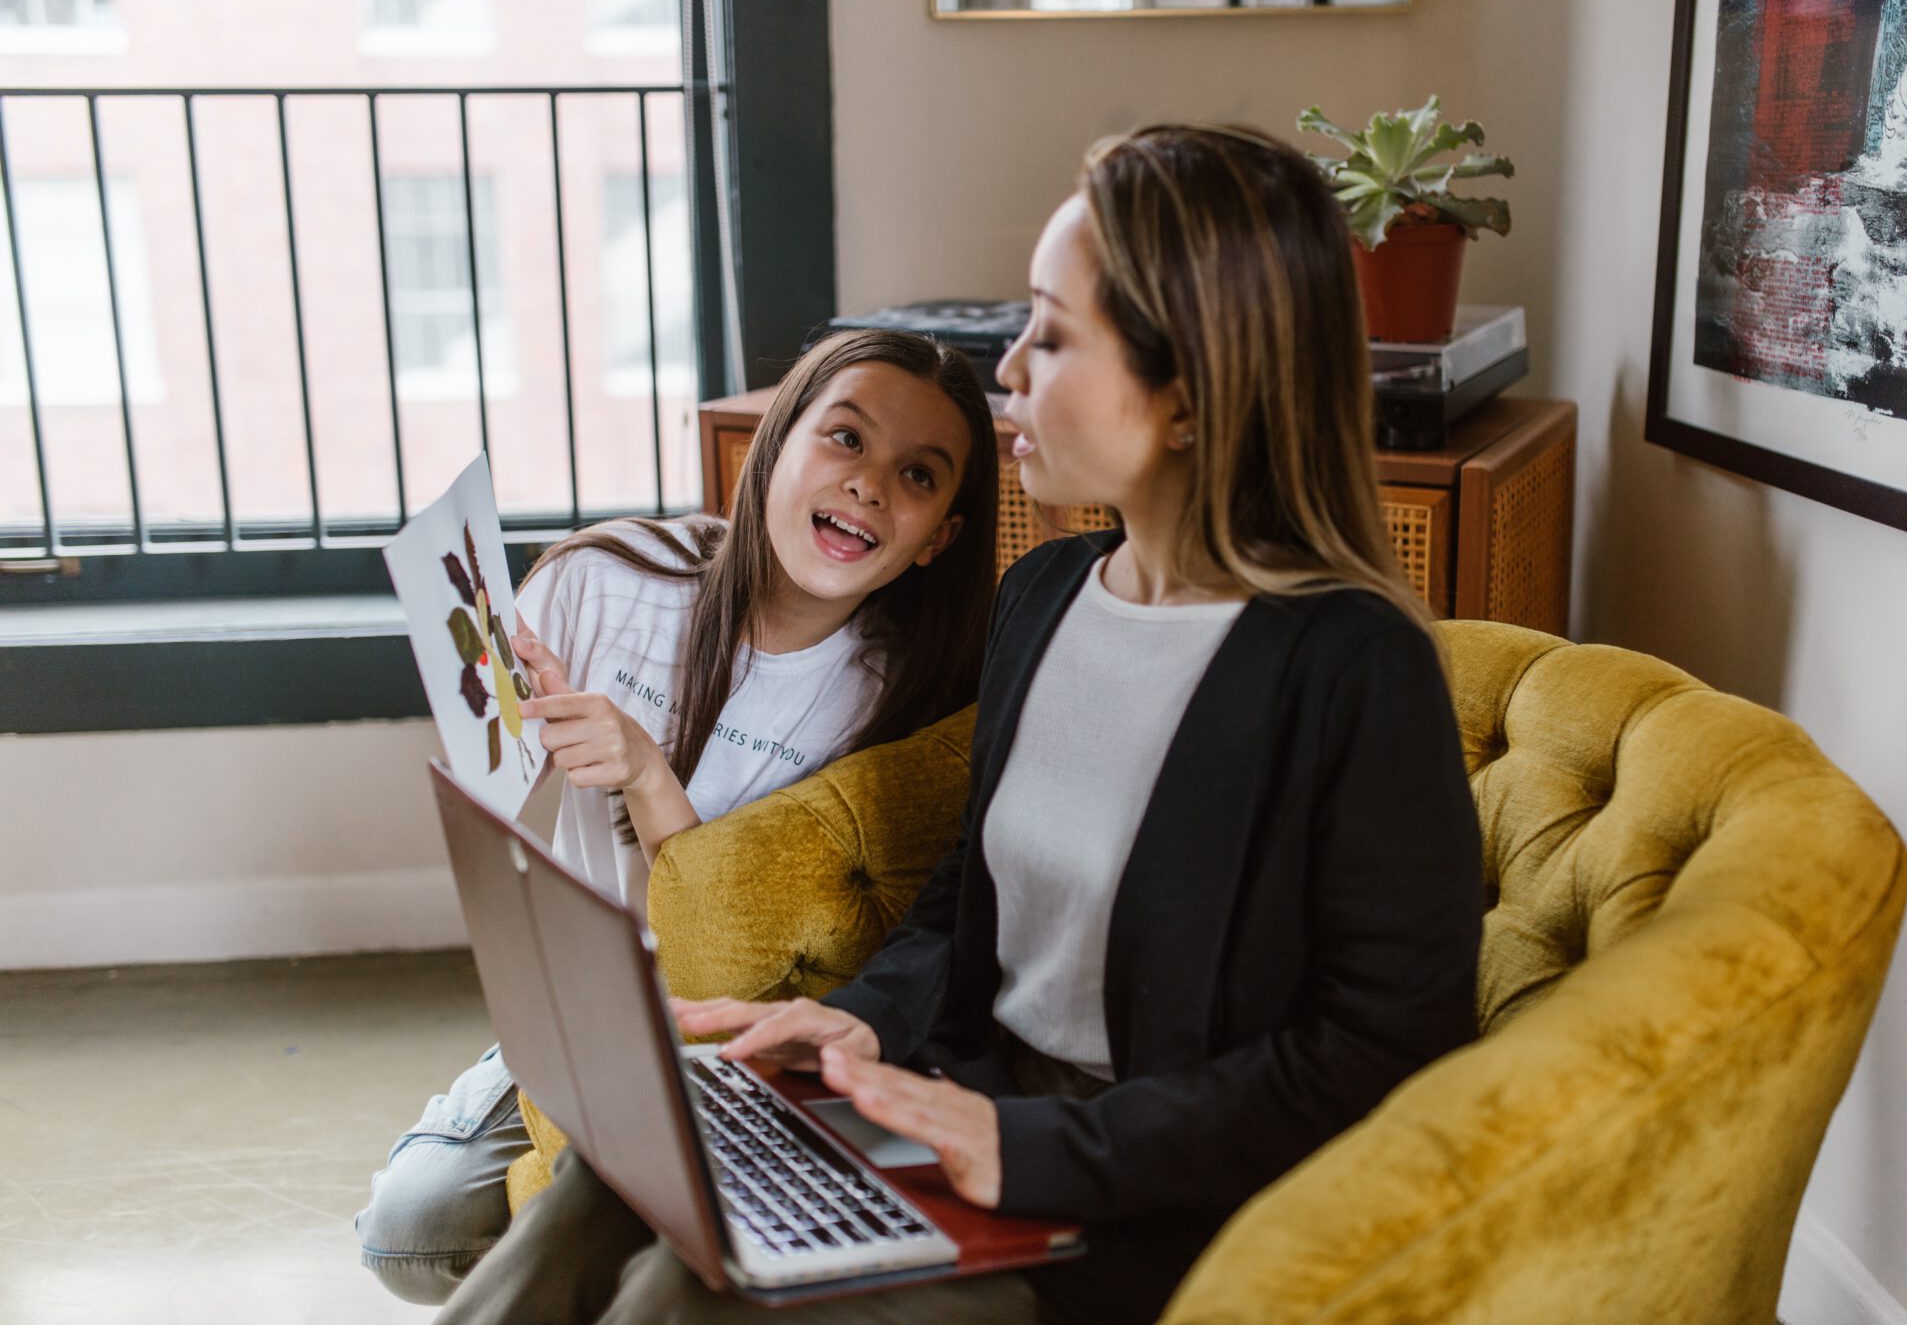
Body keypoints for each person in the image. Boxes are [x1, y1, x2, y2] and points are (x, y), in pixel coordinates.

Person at [436, 123, 1487, 1325]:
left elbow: (1380, 1054)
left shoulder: (1355, 666)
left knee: (690, 1301)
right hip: (955, 1100)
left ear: (1187, 395)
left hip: (1135, 1201)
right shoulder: (1045, 599)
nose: (1009, 374)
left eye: (1049, 334)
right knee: (604, 1184)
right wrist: (854, 1022)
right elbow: (966, 901)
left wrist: (1033, 1148)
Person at [355, 328, 1002, 1305]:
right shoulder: (603, 581)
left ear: (938, 537)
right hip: (592, 1012)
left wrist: (646, 774)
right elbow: (490, 817)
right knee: (409, 1233)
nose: (869, 484)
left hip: (731, 1032)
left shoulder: (899, 703)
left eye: (916, 474)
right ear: (772, 447)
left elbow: (733, 945)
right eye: (843, 439)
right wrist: (515, 719)